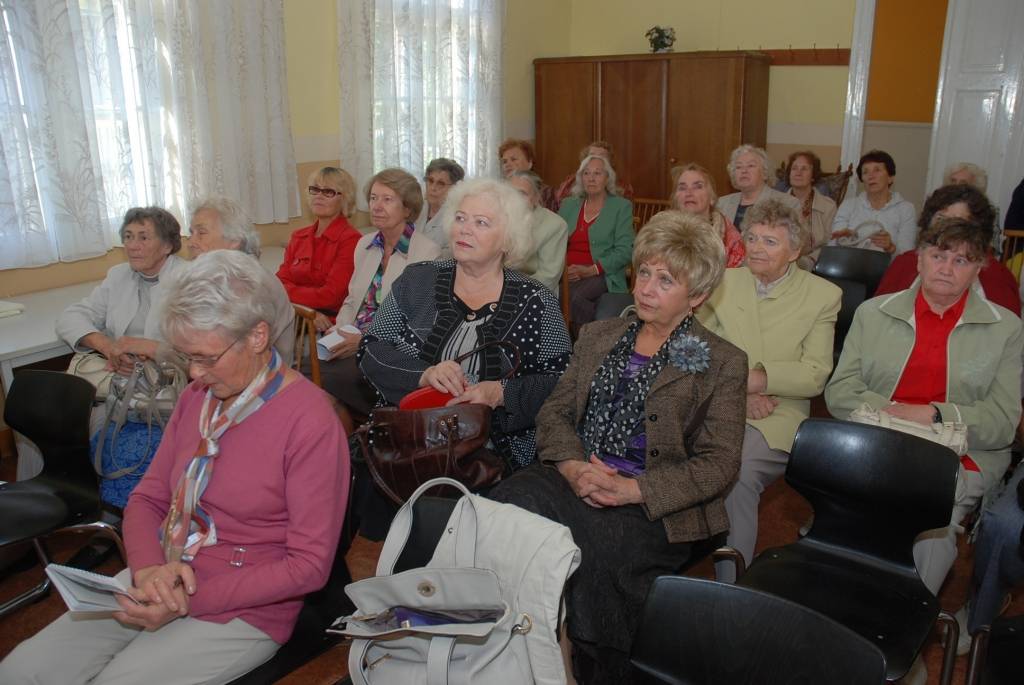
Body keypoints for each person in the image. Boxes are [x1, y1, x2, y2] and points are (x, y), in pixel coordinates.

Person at [0, 250, 349, 685]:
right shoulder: (198, 398)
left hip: (246, 603)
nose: (195, 373)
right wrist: (148, 570)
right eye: (187, 357)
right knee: (21, 671)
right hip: (166, 570)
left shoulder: (310, 422)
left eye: (206, 357)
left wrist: (185, 599)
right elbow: (148, 497)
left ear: (258, 336)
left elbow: (308, 566)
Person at [490, 211, 748, 683]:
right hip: (576, 476)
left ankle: (583, 667)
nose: (646, 288)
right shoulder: (597, 336)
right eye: (644, 272)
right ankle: (526, 652)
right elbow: (555, 412)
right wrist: (572, 467)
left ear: (697, 296)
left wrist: (633, 490)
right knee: (507, 508)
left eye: (666, 280)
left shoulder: (723, 362)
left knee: (590, 554)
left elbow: (719, 464)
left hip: (655, 504)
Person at [825, 217, 1022, 684]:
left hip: (956, 455)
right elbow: (839, 393)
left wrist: (934, 414)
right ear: (919, 259)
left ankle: (894, 647)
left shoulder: (1005, 328)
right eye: (938, 255)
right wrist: (893, 412)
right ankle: (850, 635)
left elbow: (1001, 423)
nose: (947, 268)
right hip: (879, 440)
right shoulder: (874, 313)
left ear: (979, 269)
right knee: (854, 522)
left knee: (932, 524)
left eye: (962, 260)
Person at [359, 177, 572, 472]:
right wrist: (424, 374)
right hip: (408, 441)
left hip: (494, 456)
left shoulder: (536, 301)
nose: (464, 229)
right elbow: (370, 349)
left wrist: (500, 393)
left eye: (481, 222)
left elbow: (562, 382)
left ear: (508, 240)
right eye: (460, 218)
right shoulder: (418, 279)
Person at [698, 199, 841, 581]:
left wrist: (757, 381)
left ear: (794, 251)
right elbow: (696, 349)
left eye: (770, 241)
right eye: (753, 238)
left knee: (737, 472)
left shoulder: (822, 295)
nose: (757, 248)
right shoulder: (725, 281)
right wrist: (738, 393)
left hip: (778, 411)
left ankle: (731, 585)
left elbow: (814, 375)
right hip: (716, 401)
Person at [318, 168, 441, 421]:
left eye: (387, 199)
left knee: (324, 387)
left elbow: (417, 324)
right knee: (304, 373)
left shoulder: (427, 253)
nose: (376, 206)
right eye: (373, 198)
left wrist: (363, 341)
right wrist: (338, 330)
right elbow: (353, 299)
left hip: (388, 351)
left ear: (407, 208)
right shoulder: (365, 244)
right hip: (350, 340)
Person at [57, 206, 188, 377]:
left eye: (144, 238)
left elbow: (196, 352)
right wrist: (108, 347)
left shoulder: (189, 281)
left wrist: (147, 359)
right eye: (128, 237)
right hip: (122, 373)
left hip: (170, 379)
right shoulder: (118, 275)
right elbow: (70, 317)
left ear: (167, 246)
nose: (132, 246)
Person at [874, 184, 1020, 316]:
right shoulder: (905, 264)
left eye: (958, 221)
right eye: (941, 219)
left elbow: (1007, 330)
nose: (947, 228)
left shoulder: (997, 276)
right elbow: (877, 318)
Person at [187, 195, 296, 363]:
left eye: (201, 233)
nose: (191, 242)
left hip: (262, 372)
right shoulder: (216, 274)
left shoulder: (249, 283)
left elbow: (232, 352)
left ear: (234, 241)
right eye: (191, 233)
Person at [276, 166, 362, 332]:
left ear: (344, 199)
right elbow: (278, 283)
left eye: (328, 192)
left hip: (328, 323)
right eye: (315, 190)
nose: (319, 196)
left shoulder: (351, 240)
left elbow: (331, 297)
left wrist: (292, 297)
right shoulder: (298, 236)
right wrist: (304, 310)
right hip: (296, 313)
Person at [558, 154, 634, 330]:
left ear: (607, 178)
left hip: (602, 272)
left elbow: (626, 250)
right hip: (566, 272)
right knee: (546, 292)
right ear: (580, 178)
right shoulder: (568, 205)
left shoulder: (621, 207)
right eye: (586, 173)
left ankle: (585, 339)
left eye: (597, 173)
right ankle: (588, 334)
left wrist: (591, 269)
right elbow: (554, 241)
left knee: (572, 297)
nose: (591, 178)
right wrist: (562, 269)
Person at [830, 149, 916, 255]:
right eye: (865, 172)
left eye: (877, 170)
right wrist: (845, 240)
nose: (871, 176)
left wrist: (891, 247)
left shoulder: (906, 209)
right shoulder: (848, 205)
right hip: (850, 263)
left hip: (889, 265)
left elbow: (907, 256)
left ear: (890, 178)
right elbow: (832, 246)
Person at [671, 162, 745, 267]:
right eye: (682, 188)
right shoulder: (660, 232)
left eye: (698, 187)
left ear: (712, 198)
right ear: (675, 198)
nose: (689, 193)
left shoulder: (729, 237)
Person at [508, 170, 569, 294]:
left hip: (533, 294)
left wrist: (509, 291)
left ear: (536, 197)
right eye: (510, 192)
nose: (515, 198)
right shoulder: (497, 218)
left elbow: (548, 277)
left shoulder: (555, 225)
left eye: (522, 193)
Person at [716, 144, 801, 230]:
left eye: (751, 165)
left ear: (764, 172)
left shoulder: (788, 204)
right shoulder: (721, 204)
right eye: (738, 167)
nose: (744, 171)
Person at [786, 150, 836, 269]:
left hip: (815, 264)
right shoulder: (776, 203)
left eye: (804, 169)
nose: (798, 172)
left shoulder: (828, 206)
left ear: (813, 176)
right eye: (794, 168)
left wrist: (811, 260)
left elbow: (831, 243)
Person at [554, 140, 635, 203]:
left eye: (601, 156)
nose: (596, 159)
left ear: (610, 162)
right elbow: (560, 202)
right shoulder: (571, 181)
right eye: (592, 155)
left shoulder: (623, 187)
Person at [416, 157, 465, 258]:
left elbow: (451, 258)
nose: (433, 188)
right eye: (430, 181)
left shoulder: (457, 218)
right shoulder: (417, 207)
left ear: (454, 188)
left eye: (441, 183)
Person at [498, 138, 558, 211]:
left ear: (529, 163)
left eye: (513, 159)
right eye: (504, 161)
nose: (507, 164)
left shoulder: (547, 193)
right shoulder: (498, 191)